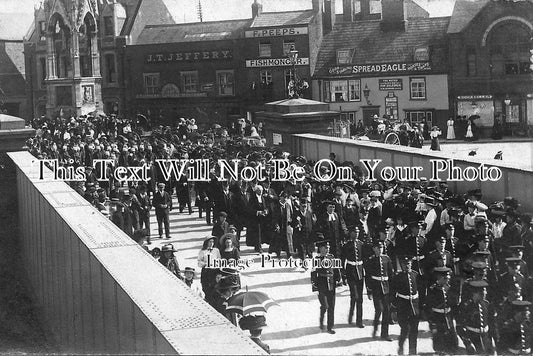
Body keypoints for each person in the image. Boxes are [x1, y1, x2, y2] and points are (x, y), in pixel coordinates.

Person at [391, 256, 420, 355]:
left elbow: (421, 291)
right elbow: (392, 294)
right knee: (405, 329)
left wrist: (421, 305)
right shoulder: (397, 277)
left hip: (414, 307)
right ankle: (401, 345)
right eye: (404, 264)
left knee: (414, 331)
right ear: (401, 265)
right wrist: (394, 308)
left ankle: (413, 352)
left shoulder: (416, 275)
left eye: (408, 263)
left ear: (411, 264)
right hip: (402, 306)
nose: (406, 266)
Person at [426, 267, 459, 354]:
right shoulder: (432, 290)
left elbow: (453, 304)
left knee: (452, 342)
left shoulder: (449, 288)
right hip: (437, 318)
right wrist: (432, 324)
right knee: (439, 343)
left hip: (448, 317)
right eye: (445, 278)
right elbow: (428, 308)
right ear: (439, 278)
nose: (448, 279)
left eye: (448, 277)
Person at [365, 240, 393, 341]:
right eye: (378, 248)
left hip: (386, 288)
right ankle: (375, 327)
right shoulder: (371, 260)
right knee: (379, 310)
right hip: (376, 288)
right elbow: (367, 277)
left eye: (381, 248)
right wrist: (369, 290)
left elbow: (391, 275)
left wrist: (392, 290)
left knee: (387, 311)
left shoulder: (387, 259)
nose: (380, 250)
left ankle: (384, 334)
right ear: (374, 249)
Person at [311, 238, 341, 334]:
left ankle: (330, 327)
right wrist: (314, 286)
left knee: (331, 306)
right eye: (325, 247)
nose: (327, 249)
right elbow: (313, 274)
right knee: (325, 305)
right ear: (320, 248)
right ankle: (321, 319)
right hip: (321, 284)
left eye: (328, 247)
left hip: (331, 284)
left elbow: (336, 270)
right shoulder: (317, 259)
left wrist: (338, 280)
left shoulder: (332, 258)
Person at [340, 227, 366, 327]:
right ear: (350, 233)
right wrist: (344, 275)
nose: (357, 234)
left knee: (360, 298)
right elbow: (342, 260)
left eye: (358, 232)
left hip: (360, 271)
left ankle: (359, 320)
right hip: (350, 271)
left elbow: (364, 258)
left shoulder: (361, 244)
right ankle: (351, 313)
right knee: (354, 296)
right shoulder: (346, 245)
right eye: (355, 232)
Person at [198, 236, 221, 304]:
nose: (211, 243)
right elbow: (199, 262)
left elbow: (219, 260)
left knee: (215, 288)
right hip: (206, 271)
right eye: (210, 242)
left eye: (213, 242)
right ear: (206, 242)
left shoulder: (216, 250)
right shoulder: (202, 251)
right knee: (206, 287)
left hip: (214, 271)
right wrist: (205, 263)